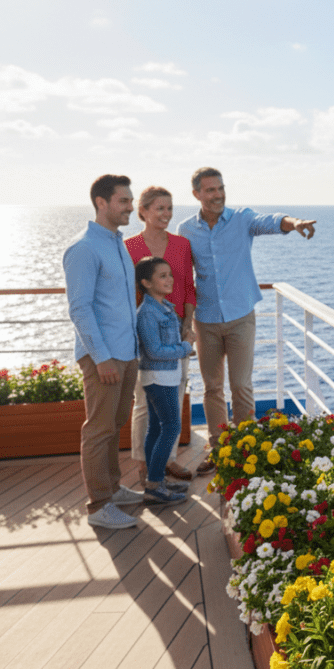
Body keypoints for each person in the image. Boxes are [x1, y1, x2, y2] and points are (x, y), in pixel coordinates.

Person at [178, 168, 316, 474]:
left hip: (241, 317)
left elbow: (269, 221)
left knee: (241, 385)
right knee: (212, 388)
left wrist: (294, 224)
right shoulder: (185, 229)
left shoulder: (241, 219)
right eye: (210, 190)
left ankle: (246, 448)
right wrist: (185, 322)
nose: (217, 195)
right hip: (206, 320)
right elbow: (183, 277)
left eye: (221, 188)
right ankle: (219, 449)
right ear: (197, 194)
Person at [63, 174, 145, 529]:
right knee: (98, 429)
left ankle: (112, 488)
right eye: (124, 201)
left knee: (114, 424)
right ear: (102, 203)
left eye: (130, 200)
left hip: (125, 352)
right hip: (105, 356)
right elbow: (79, 308)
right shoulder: (84, 248)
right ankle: (99, 505)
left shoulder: (116, 243)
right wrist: (101, 358)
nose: (130, 207)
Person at [125, 186, 197, 484]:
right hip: (145, 327)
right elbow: (127, 294)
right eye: (159, 208)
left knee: (175, 394)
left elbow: (188, 288)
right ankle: (143, 462)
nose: (166, 214)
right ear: (142, 211)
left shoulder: (181, 245)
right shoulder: (129, 246)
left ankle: (168, 460)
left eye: (169, 208)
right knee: (145, 400)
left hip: (177, 323)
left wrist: (187, 322)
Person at [135, 256, 194, 505]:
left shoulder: (165, 307)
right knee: (171, 427)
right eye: (162, 276)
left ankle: (154, 481)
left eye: (170, 274)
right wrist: (185, 347)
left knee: (157, 428)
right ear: (146, 282)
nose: (169, 279)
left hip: (167, 376)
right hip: (159, 378)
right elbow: (155, 351)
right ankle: (155, 484)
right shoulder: (148, 313)